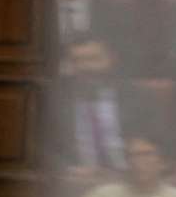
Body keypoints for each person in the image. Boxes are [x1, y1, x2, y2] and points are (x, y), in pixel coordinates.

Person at [48, 36, 132, 177]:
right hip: (75, 179)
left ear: (111, 59)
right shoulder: (53, 100)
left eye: (94, 59)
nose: (85, 67)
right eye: (76, 61)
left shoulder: (138, 97)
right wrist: (67, 170)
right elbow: (40, 148)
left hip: (130, 178)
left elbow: (158, 143)